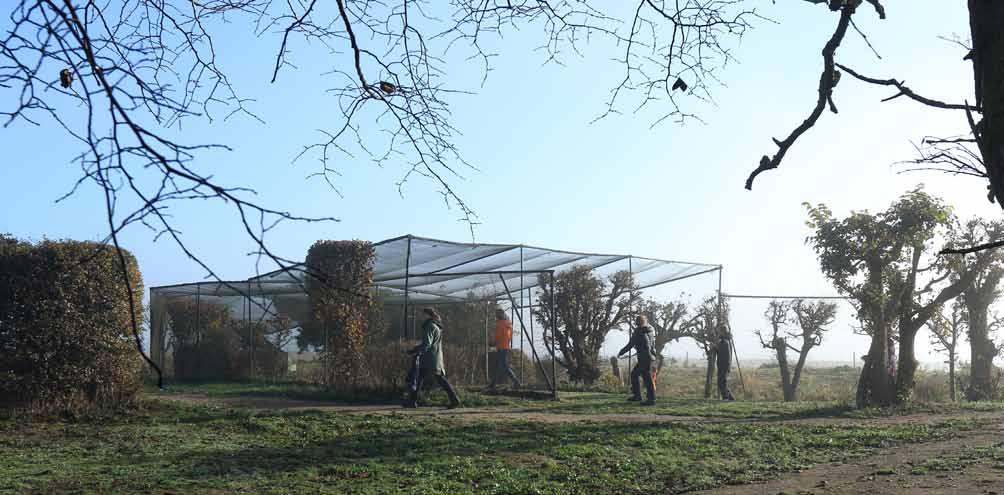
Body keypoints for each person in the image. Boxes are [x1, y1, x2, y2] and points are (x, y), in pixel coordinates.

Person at [404, 308, 461, 409]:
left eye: (422, 315)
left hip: (429, 358)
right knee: (422, 378)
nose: (420, 317)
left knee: (437, 379)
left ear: (427, 315)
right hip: (434, 357)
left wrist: (416, 351)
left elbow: (427, 343)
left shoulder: (429, 326)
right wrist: (416, 349)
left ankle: (455, 400)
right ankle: (412, 401)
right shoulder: (435, 326)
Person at [618, 315, 657, 405]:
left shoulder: (639, 331)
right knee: (636, 375)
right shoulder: (650, 330)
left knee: (646, 378)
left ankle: (650, 399)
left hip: (644, 357)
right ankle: (638, 396)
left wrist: (621, 352)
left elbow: (631, 344)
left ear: (638, 322)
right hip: (650, 357)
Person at [488, 309, 521, 392]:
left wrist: (493, 343)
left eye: (496, 314)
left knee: (503, 366)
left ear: (499, 315)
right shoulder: (508, 324)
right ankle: (493, 383)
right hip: (505, 346)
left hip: (501, 347)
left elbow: (498, 336)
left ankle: (516, 382)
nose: (496, 316)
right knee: (501, 365)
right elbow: (508, 337)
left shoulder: (500, 324)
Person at [716, 333, 736, 401]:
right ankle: (730, 397)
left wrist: (715, 347)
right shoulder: (725, 342)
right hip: (724, 365)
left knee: (721, 382)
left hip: (723, 366)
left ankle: (726, 397)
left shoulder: (724, 343)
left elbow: (720, 352)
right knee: (723, 382)